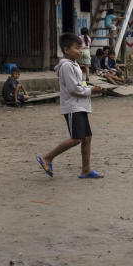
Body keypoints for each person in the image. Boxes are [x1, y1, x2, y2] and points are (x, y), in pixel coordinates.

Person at [36, 33, 104, 179]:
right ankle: (47, 157)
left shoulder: (74, 65)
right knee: (77, 138)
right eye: (77, 48)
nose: (80, 51)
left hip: (80, 106)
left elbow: (79, 84)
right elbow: (73, 89)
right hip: (73, 106)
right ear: (67, 50)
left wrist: (90, 86)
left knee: (87, 137)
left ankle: (86, 170)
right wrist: (91, 90)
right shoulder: (66, 66)